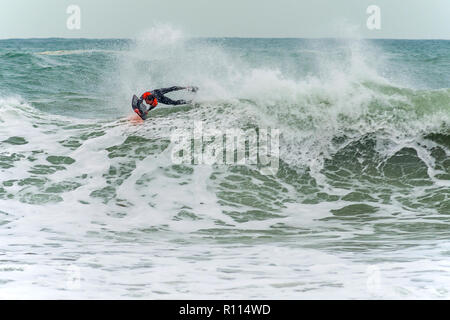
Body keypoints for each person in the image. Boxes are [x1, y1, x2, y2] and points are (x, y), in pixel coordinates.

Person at [133, 86, 198, 119]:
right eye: (147, 102)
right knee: (171, 90)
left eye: (149, 103)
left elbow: (152, 106)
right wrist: (136, 108)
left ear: (152, 100)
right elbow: (139, 101)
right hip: (156, 92)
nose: (147, 103)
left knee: (173, 100)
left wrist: (148, 110)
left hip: (160, 95)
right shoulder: (145, 95)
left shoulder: (155, 102)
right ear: (146, 98)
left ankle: (187, 88)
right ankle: (188, 100)